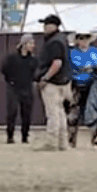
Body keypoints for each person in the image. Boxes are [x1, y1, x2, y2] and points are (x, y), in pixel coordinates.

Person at [35, 14, 72, 152]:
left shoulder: (54, 42)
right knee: (60, 113)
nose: (44, 27)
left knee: (53, 114)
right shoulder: (62, 39)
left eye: (46, 24)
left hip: (53, 82)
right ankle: (62, 143)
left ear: (54, 26)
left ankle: (52, 143)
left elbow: (57, 62)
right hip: (63, 81)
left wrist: (45, 78)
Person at [68, 32, 97, 148]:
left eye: (86, 38)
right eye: (81, 38)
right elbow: (75, 66)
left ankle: (95, 139)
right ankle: (71, 139)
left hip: (93, 83)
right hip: (77, 84)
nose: (84, 41)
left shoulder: (95, 51)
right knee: (74, 112)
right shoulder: (72, 53)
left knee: (95, 112)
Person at [0, 34, 38, 144]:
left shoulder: (33, 60)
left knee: (26, 113)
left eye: (33, 43)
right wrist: (10, 80)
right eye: (30, 43)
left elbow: (35, 73)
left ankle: (25, 136)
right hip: (14, 88)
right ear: (23, 44)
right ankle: (10, 136)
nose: (33, 46)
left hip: (27, 88)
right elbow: (4, 69)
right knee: (12, 112)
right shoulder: (12, 58)